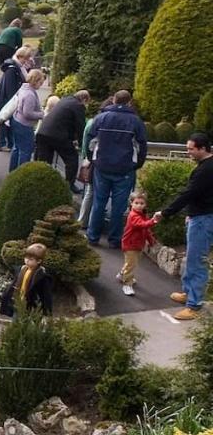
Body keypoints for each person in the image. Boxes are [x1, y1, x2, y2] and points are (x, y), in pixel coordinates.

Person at [154, 132, 213, 320]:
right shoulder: (205, 166)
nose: (188, 152)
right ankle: (188, 292)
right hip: (198, 216)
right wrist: (190, 213)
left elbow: (189, 193)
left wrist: (165, 212)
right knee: (191, 257)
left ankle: (194, 305)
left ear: (203, 149)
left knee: (197, 261)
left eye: (190, 149)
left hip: (203, 220)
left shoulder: (205, 170)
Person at [86, 89, 148, 249]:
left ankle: (93, 236)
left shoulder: (101, 118)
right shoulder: (135, 121)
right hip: (125, 169)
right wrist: (138, 164)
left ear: (114, 100)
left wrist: (92, 159)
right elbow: (142, 145)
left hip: (102, 166)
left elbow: (90, 140)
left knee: (99, 202)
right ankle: (114, 240)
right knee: (118, 206)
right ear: (129, 102)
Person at [36, 90, 90, 190]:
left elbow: (65, 121)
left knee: (44, 162)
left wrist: (73, 138)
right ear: (84, 99)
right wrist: (82, 146)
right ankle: (69, 185)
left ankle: (41, 184)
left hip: (43, 132)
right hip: (58, 136)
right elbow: (80, 127)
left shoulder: (64, 100)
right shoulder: (78, 106)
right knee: (72, 160)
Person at [0, 45, 33, 150]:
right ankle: (2, 143)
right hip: (7, 99)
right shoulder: (12, 69)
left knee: (7, 121)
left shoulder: (15, 67)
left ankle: (8, 143)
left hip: (10, 98)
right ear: (20, 57)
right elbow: (10, 87)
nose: (26, 61)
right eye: (25, 58)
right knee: (4, 121)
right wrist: (15, 101)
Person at [119, 191, 158, 297]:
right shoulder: (133, 216)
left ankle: (122, 274)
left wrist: (150, 240)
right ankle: (127, 284)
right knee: (131, 264)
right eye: (136, 203)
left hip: (137, 244)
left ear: (145, 204)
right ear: (131, 203)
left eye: (142, 203)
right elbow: (142, 225)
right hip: (130, 244)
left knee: (130, 263)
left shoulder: (142, 215)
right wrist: (153, 221)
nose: (139, 205)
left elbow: (146, 230)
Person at [6, 68, 45, 171]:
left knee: (17, 148)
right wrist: (42, 114)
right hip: (24, 125)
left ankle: (13, 172)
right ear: (35, 81)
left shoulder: (24, 88)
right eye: (40, 82)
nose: (41, 85)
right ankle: (21, 174)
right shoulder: (30, 95)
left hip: (16, 120)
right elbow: (28, 113)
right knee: (25, 151)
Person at [1, 243, 54, 316]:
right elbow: (13, 286)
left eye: (31, 259)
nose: (27, 261)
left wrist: (46, 311)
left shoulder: (42, 276)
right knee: (16, 323)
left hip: (31, 307)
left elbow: (46, 295)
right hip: (18, 303)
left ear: (39, 261)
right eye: (26, 258)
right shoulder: (21, 270)